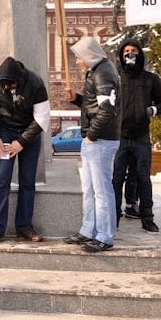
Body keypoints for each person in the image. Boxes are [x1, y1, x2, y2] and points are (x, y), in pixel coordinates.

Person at [0, 56, 50, 244]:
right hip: (4, 131)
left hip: (29, 133)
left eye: (10, 85)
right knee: (1, 178)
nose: (6, 88)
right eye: (3, 85)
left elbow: (42, 119)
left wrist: (22, 142)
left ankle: (24, 226)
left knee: (27, 181)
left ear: (19, 80)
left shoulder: (35, 82)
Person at [61, 37, 120, 253]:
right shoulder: (98, 71)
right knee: (89, 189)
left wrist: (92, 135)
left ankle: (104, 235)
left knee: (101, 191)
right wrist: (77, 98)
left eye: (79, 57)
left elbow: (108, 110)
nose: (77, 62)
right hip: (96, 139)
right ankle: (89, 229)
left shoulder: (103, 73)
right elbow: (95, 104)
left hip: (101, 140)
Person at [111, 40, 161, 233]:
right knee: (117, 178)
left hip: (141, 136)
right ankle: (113, 217)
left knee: (143, 178)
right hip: (120, 137)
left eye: (133, 51)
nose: (130, 54)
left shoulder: (150, 79)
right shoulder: (116, 78)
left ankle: (147, 217)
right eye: (126, 52)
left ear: (140, 54)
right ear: (121, 56)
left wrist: (153, 110)